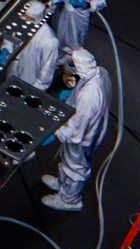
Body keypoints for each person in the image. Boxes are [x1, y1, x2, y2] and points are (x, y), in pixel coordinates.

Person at [42, 48, 110, 211]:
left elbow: (74, 131)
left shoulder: (89, 97)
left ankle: (70, 200)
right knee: (68, 158)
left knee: (75, 166)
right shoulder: (99, 72)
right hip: (90, 125)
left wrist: (52, 133)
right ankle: (62, 184)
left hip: (83, 136)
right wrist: (72, 96)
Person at [0, 0, 59, 91]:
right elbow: (10, 36)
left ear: (38, 19)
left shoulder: (49, 39)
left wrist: (37, 89)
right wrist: (6, 49)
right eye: (25, 17)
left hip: (30, 79)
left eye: (30, 19)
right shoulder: (22, 20)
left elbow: (47, 69)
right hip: (14, 67)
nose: (26, 20)